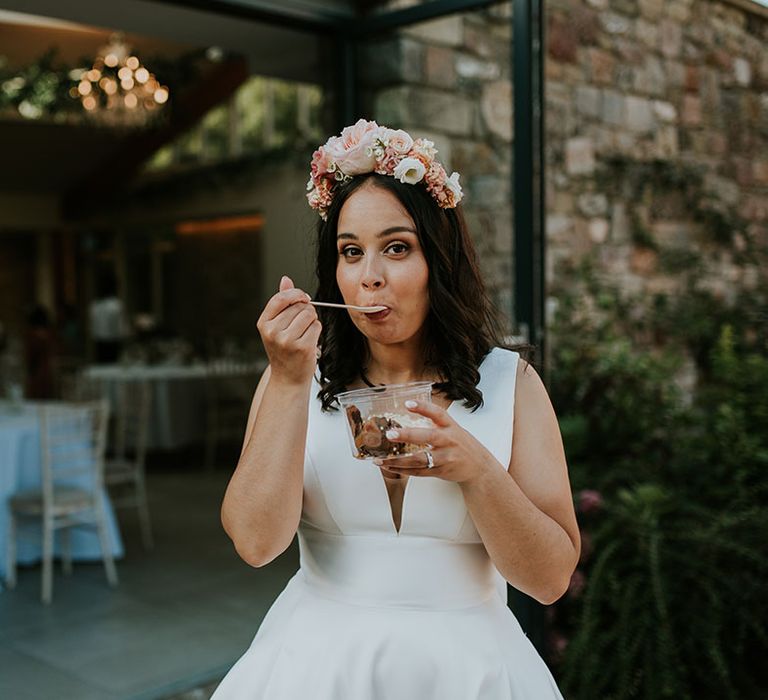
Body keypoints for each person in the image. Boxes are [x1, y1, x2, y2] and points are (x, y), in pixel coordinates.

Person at [214, 119, 579, 698]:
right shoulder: (293, 375)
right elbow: (256, 546)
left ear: (440, 260)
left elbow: (552, 579)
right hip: (316, 667)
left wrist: (476, 469)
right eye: (350, 252)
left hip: (469, 672)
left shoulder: (514, 384)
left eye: (397, 248)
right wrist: (288, 381)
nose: (370, 278)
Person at [89, 271, 128, 363]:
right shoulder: (116, 305)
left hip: (98, 345)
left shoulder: (94, 306)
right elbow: (121, 330)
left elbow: (92, 329)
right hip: (113, 344)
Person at [24, 304, 56, 400]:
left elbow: (30, 358)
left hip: (37, 375)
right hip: (47, 373)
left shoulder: (33, 336)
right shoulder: (49, 334)